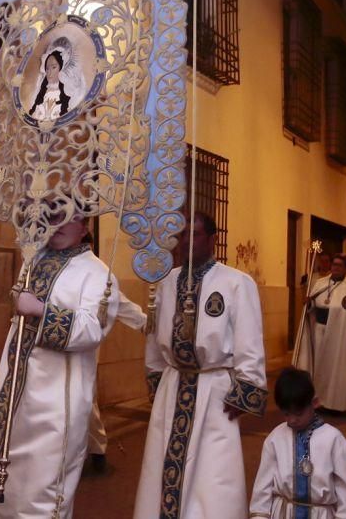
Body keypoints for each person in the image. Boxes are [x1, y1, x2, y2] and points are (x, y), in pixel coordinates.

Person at [134, 212, 267, 519]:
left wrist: (246, 388)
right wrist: (156, 380)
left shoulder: (236, 283)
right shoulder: (165, 281)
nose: (185, 242)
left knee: (212, 474)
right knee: (161, 465)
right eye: (182, 235)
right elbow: (154, 338)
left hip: (214, 389)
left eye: (194, 234)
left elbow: (250, 340)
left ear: (212, 239)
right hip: (172, 386)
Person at [0, 214, 120, 518]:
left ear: (85, 226)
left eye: (68, 218)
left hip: (55, 404)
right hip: (16, 393)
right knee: (6, 483)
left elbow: (92, 328)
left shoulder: (98, 274)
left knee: (43, 491)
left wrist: (41, 311)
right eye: (53, 215)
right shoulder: (34, 260)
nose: (57, 224)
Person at [249, 368, 346, 518]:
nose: (292, 419)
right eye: (286, 413)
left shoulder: (334, 440)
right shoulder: (275, 439)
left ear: (314, 403)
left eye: (299, 413)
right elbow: (263, 489)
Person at [292, 254, 346, 415]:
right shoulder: (319, 284)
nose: (336, 268)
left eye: (340, 265)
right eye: (334, 265)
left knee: (335, 368)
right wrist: (309, 304)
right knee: (318, 367)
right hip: (319, 331)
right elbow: (311, 307)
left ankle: (336, 403)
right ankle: (318, 400)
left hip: (339, 337)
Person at [85, 288, 148, 473]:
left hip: (83, 356)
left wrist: (152, 326)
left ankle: (97, 450)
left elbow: (125, 308)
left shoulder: (101, 279)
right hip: (50, 355)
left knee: (85, 402)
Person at [28, 37, 85, 123]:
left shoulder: (69, 91)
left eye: (54, 67)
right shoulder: (39, 92)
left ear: (61, 68)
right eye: (47, 68)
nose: (49, 72)